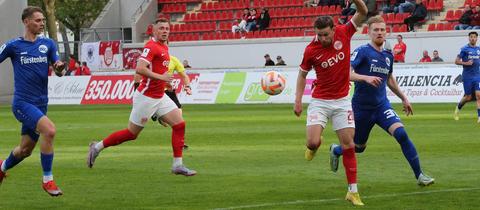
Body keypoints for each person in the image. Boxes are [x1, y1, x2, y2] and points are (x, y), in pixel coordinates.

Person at [329, 16, 435, 187]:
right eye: (376, 30)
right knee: (359, 147)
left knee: (401, 134)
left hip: (381, 106)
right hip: (361, 108)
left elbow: (390, 79)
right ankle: (336, 150)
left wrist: (404, 98)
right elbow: (346, 73)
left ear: (386, 32)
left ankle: (420, 175)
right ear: (369, 32)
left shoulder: (388, 55)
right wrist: (365, 78)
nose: (379, 33)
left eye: (382, 30)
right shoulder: (362, 51)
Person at [87, 18, 197, 176]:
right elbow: (140, 68)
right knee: (131, 134)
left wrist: (163, 81)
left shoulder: (164, 47)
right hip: (146, 97)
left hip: (160, 96)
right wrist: (161, 77)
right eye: (161, 28)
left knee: (179, 125)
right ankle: (96, 147)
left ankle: (177, 165)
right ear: (154, 31)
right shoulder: (151, 46)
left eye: (167, 28)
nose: (165, 31)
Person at [295, 0, 367, 206]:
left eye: (326, 34)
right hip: (320, 101)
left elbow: (363, 11)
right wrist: (298, 100)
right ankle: (314, 147)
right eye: (320, 35)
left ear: (334, 29)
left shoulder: (345, 32)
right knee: (312, 142)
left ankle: (352, 191)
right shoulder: (311, 50)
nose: (323, 38)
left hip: (343, 101)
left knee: (349, 145)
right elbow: (302, 75)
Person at [0, 6, 65, 196]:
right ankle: (48, 181)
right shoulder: (14, 46)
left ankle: (2, 167)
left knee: (25, 150)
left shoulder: (48, 44)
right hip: (22, 104)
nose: (42, 23)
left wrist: (60, 68)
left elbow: (58, 69)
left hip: (41, 104)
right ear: (26, 22)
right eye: (37, 20)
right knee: (50, 130)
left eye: (43, 20)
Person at [151, 55, 192, 125]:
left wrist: (188, 87)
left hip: (168, 89)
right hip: (155, 90)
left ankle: (159, 115)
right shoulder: (152, 59)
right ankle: (156, 113)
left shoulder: (173, 60)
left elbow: (184, 76)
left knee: (179, 115)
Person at [453, 31, 480, 123]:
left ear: (477, 38)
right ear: (469, 38)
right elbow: (456, 61)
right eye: (471, 37)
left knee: (478, 95)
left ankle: (479, 117)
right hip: (467, 76)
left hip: (477, 76)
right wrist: (466, 63)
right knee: (468, 97)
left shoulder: (478, 49)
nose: (473, 38)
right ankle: (458, 108)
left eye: (474, 37)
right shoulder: (464, 49)